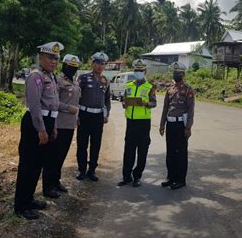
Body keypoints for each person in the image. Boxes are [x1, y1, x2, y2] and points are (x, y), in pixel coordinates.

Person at [14, 41, 63, 220]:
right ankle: (21, 206)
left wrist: (54, 127)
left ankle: (29, 199)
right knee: (28, 165)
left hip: (48, 122)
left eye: (56, 58)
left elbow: (54, 105)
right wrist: (41, 129)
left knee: (38, 164)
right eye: (50, 57)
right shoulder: (35, 76)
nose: (54, 61)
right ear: (41, 57)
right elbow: (34, 106)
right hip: (35, 124)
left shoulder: (52, 77)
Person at [43, 54, 81, 195]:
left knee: (62, 156)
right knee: (53, 156)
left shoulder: (75, 82)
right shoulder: (58, 80)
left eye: (75, 67)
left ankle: (56, 181)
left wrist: (76, 116)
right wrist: (67, 108)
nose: (72, 69)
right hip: (58, 124)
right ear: (64, 66)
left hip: (70, 125)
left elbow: (76, 102)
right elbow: (54, 102)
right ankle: (48, 186)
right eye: (70, 67)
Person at [117, 59, 156, 187]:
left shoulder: (150, 87)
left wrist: (146, 104)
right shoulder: (129, 85)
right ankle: (126, 176)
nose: (138, 72)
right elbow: (124, 99)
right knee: (128, 150)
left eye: (140, 70)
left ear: (145, 71)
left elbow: (153, 103)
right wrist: (124, 103)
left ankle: (137, 176)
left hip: (143, 123)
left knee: (142, 150)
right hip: (130, 122)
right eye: (136, 70)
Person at [159, 61, 195, 190]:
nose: (176, 75)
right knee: (170, 152)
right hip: (170, 124)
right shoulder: (170, 89)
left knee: (181, 153)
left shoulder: (188, 90)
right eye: (175, 73)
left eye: (178, 73)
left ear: (183, 74)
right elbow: (165, 108)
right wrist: (162, 124)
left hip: (181, 125)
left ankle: (180, 180)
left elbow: (190, 110)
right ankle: (171, 177)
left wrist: (188, 127)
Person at [76, 52, 111, 181]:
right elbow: (76, 97)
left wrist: (106, 114)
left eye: (103, 64)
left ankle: (92, 170)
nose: (100, 66)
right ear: (93, 64)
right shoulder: (83, 78)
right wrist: (77, 115)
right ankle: (81, 170)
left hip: (98, 117)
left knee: (96, 144)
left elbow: (107, 100)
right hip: (84, 115)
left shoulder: (105, 80)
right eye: (98, 63)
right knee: (82, 144)